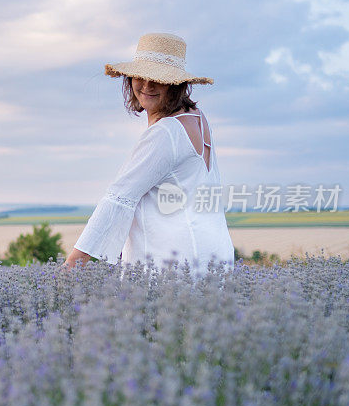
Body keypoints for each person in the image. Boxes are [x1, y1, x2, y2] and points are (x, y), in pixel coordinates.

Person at [62, 33, 235, 276]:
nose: (146, 86)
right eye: (140, 76)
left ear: (176, 84)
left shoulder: (166, 132)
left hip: (174, 262)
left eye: (158, 79)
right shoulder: (197, 117)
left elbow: (118, 198)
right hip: (213, 255)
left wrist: (72, 265)